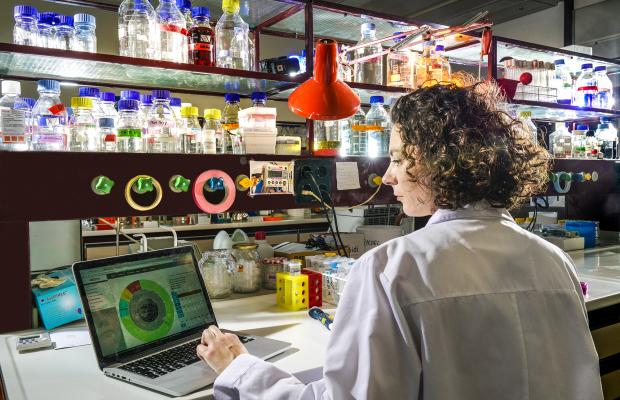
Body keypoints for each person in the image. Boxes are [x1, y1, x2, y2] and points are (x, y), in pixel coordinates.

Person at [196, 83, 604, 399]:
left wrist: (241, 370)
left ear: (438, 163)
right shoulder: (552, 260)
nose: (389, 177)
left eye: (397, 158)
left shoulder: (391, 269)